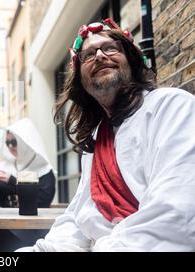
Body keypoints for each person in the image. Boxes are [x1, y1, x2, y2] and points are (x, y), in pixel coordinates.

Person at [20, 18, 195, 251]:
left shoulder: (171, 107)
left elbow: (176, 215)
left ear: (132, 61)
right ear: (81, 80)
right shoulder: (97, 138)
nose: (100, 56)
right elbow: (79, 220)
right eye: (89, 55)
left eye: (110, 48)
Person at [0, 118, 56, 252]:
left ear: (26, 142)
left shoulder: (43, 168)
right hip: (5, 222)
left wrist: (13, 181)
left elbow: (43, 201)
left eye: (14, 142)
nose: (10, 146)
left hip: (31, 227)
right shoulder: (6, 165)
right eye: (7, 142)